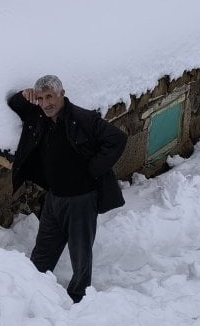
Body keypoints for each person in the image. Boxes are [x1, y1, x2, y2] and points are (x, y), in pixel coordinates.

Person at [8, 75, 128, 303]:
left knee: (80, 253)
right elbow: (15, 104)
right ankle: (34, 288)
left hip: (82, 200)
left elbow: (118, 139)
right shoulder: (39, 116)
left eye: (50, 97)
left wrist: (92, 170)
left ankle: (78, 297)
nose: (46, 103)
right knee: (43, 248)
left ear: (62, 93)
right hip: (55, 197)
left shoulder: (82, 119)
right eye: (41, 98)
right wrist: (24, 95)